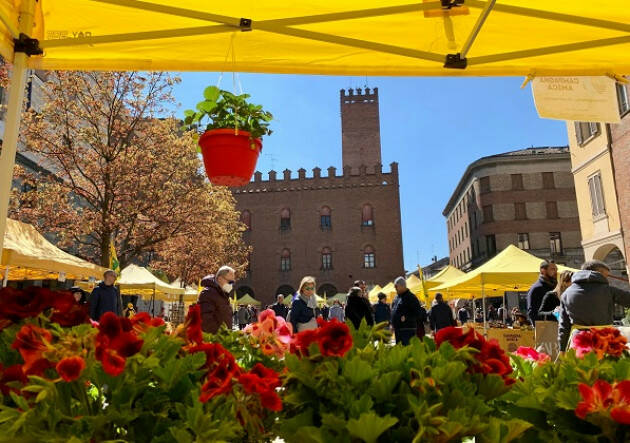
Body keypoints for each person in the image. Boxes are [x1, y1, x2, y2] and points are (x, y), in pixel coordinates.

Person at [558, 260, 630, 352]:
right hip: (604, 339)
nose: (607, 279)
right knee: (605, 366)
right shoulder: (608, 290)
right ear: (598, 273)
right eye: (606, 275)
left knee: (581, 366)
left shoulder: (566, 293)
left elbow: (564, 326)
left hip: (579, 341)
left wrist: (562, 350)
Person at [197, 265, 236, 334]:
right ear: (220, 279)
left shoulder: (223, 294)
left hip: (223, 339)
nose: (231, 285)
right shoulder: (208, 293)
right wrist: (220, 336)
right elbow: (206, 320)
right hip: (214, 340)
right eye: (230, 282)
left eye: (233, 283)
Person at [391, 276, 422, 346]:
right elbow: (393, 311)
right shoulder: (396, 298)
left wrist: (407, 317)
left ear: (403, 286)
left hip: (408, 330)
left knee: (408, 351)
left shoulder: (411, 297)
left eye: (396, 286)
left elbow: (418, 313)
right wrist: (392, 324)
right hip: (398, 330)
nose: (395, 288)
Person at [526, 260, 558, 326]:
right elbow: (532, 312)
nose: (555, 272)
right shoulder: (536, 288)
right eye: (552, 269)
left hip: (559, 327)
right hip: (546, 329)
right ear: (543, 271)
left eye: (556, 269)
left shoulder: (555, 287)